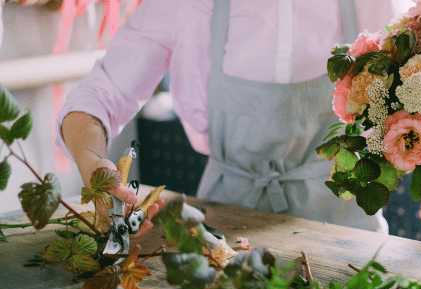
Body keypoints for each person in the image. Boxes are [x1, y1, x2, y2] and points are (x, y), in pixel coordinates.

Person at [57, 0, 395, 235]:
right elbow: (100, 95)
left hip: (349, 235)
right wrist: (91, 162)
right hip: (227, 237)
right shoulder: (187, 5)